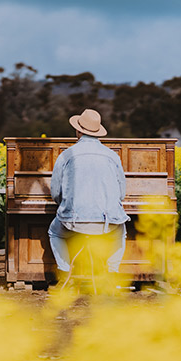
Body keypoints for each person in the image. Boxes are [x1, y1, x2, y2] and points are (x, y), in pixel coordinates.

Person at [48, 108, 129, 277]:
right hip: (107, 222)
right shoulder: (112, 156)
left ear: (78, 130)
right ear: (98, 132)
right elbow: (121, 193)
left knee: (54, 232)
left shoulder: (66, 155)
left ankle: (64, 273)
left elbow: (55, 193)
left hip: (74, 222)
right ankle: (111, 274)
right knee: (120, 233)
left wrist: (66, 203)